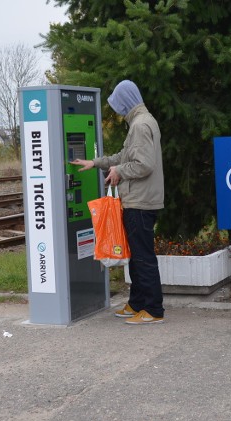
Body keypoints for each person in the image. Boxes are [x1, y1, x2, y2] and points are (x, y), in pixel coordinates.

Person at [70, 80, 165, 325]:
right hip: (138, 199)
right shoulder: (140, 122)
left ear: (125, 101)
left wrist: (119, 171)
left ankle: (153, 309)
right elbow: (124, 156)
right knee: (136, 255)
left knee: (143, 257)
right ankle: (137, 303)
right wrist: (96, 163)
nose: (116, 110)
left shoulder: (141, 125)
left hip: (140, 201)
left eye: (117, 104)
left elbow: (144, 164)